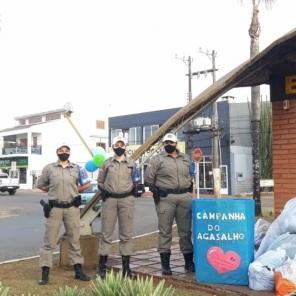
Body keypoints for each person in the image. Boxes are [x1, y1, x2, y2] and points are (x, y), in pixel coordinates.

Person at [37, 143, 91, 285]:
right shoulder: (49, 168)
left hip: (72, 208)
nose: (64, 152)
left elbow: (87, 184)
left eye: (66, 150)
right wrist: (51, 190)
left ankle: (78, 271)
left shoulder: (77, 168)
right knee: (49, 241)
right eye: (61, 150)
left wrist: (75, 190)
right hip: (54, 208)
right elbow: (40, 184)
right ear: (57, 152)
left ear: (70, 152)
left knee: (74, 239)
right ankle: (45, 273)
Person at [144, 133, 195, 275]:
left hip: (184, 197)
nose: (168, 145)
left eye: (171, 142)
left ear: (176, 143)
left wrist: (189, 188)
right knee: (165, 231)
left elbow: (191, 174)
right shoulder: (157, 159)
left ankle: (188, 263)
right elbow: (148, 179)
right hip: (166, 198)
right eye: (166, 142)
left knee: (185, 232)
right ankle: (165, 265)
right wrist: (156, 191)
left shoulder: (185, 158)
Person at [97, 136, 136, 279]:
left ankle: (126, 268)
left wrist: (137, 188)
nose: (119, 147)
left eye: (122, 144)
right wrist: (104, 190)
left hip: (127, 200)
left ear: (125, 146)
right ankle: (102, 267)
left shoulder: (132, 163)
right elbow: (100, 182)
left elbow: (136, 180)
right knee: (106, 234)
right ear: (113, 146)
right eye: (116, 144)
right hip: (110, 201)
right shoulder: (106, 163)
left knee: (126, 234)